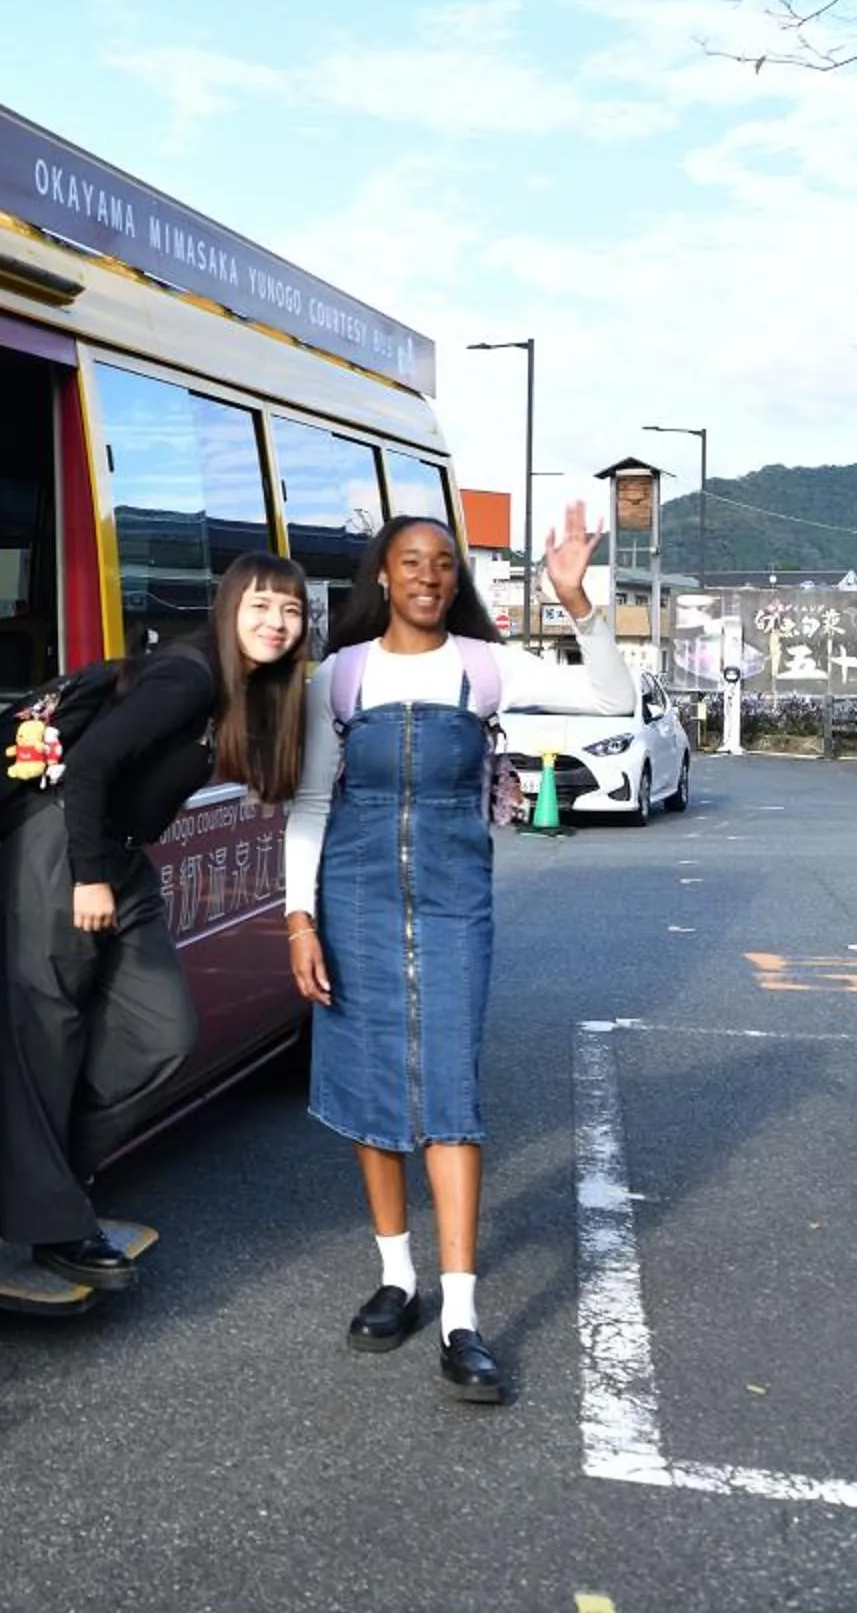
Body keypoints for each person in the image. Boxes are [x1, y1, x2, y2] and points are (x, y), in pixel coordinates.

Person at [282, 503, 627, 1404]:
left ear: (455, 579)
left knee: (449, 1089)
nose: (429, 575)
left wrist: (574, 599)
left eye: (443, 562)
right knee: (366, 1079)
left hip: (452, 903)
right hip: (351, 899)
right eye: (410, 562)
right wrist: (298, 920)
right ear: (383, 578)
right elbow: (312, 806)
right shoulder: (340, 677)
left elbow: (611, 698)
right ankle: (397, 1277)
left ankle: (461, 1316)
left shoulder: (484, 665)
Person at [0, 551, 316, 1291]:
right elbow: (89, 767)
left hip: (120, 854)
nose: (276, 623)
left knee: (164, 1033)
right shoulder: (189, 677)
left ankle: (48, 1172)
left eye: (292, 611)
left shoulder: (237, 692)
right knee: (48, 1035)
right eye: (261, 606)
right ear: (229, 606)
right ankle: (55, 1222)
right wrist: (88, 875)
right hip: (66, 853)